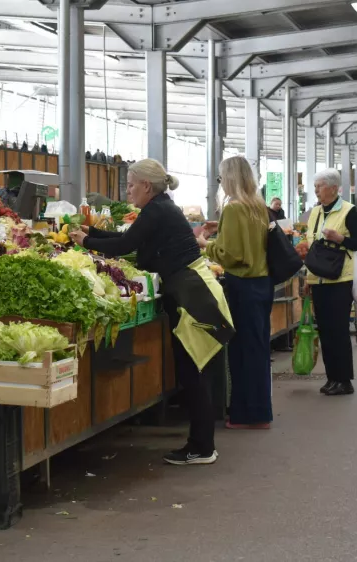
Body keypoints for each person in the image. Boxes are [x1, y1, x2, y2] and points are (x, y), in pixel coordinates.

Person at [69, 159, 233, 465]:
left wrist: (86, 241)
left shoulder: (158, 210)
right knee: (193, 371)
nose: (128, 190)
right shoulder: (160, 208)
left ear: (146, 186)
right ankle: (201, 444)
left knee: (193, 371)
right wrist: (90, 233)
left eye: (130, 185)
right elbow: (130, 240)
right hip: (191, 290)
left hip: (192, 295)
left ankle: (201, 447)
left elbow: (125, 244)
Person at [199, 156, 272, 429]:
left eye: (220, 178)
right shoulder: (258, 206)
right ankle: (259, 411)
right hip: (263, 285)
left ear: (229, 178)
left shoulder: (232, 208)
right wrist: (221, 230)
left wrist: (204, 243)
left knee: (242, 353)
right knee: (258, 351)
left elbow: (231, 255)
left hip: (242, 285)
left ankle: (248, 415)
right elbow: (251, 241)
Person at [304, 169, 357, 396]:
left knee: (338, 331)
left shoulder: (348, 211)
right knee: (325, 331)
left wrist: (340, 239)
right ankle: (331, 378)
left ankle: (344, 380)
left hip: (339, 279)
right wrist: (308, 279)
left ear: (332, 187)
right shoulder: (315, 212)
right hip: (318, 279)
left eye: (319, 186)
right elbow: (312, 247)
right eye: (316, 186)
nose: (316, 190)